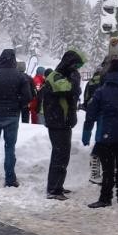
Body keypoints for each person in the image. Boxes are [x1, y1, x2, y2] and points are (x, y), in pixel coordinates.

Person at [81, 57, 118, 208]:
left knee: (108, 169)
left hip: (106, 135)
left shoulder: (101, 91)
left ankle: (105, 198)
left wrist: (86, 133)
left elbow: (91, 114)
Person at [0, 48, 32, 188]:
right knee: (10, 148)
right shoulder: (20, 76)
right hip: (12, 116)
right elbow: (28, 97)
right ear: (14, 60)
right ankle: (10, 178)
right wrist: (17, 105)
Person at [38, 49, 85, 200]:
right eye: (75, 66)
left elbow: (75, 92)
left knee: (64, 155)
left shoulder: (65, 76)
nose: (76, 69)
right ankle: (53, 189)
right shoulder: (55, 76)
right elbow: (69, 90)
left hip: (63, 122)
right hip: (56, 122)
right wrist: (75, 80)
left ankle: (58, 185)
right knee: (59, 155)